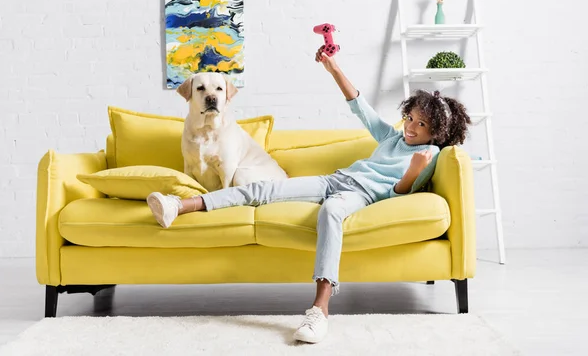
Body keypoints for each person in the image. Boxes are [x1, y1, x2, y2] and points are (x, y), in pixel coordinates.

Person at [146, 46, 472, 344]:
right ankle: (180, 205)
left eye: (421, 124)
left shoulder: (431, 157)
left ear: (438, 132)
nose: (411, 127)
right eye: (410, 118)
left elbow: (398, 192)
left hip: (360, 195)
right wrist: (333, 68)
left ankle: (319, 310)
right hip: (336, 179)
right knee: (263, 189)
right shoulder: (392, 137)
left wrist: (414, 170)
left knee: (330, 213)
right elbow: (361, 107)